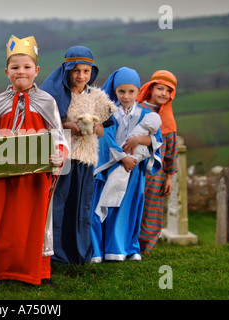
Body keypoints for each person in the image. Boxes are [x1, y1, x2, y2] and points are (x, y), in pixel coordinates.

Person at [0, 35, 69, 285]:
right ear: (6, 71)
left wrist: (59, 153)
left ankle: (34, 271)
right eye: (15, 67)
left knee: (32, 224)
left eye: (26, 67)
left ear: (36, 70)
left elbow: (58, 137)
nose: (20, 72)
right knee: (1, 223)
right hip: (2, 177)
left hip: (34, 178)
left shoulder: (46, 101)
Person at [39, 46, 116, 264]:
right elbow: (47, 123)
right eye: (76, 71)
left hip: (86, 157)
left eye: (86, 71)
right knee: (59, 205)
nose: (81, 76)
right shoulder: (55, 95)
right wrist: (68, 125)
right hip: (61, 158)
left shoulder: (97, 98)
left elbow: (103, 130)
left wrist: (93, 127)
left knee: (81, 206)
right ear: (67, 70)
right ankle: (55, 255)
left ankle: (79, 254)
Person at [90, 66, 162, 262]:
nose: (126, 96)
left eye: (131, 91)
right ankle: (99, 250)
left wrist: (138, 141)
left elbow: (156, 139)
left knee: (129, 209)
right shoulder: (108, 113)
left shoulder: (146, 113)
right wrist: (123, 158)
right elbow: (106, 138)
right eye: (121, 91)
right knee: (104, 206)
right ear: (115, 90)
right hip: (110, 167)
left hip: (134, 170)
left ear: (139, 91)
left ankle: (127, 248)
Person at [136, 70, 178, 253]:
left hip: (157, 173)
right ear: (151, 88)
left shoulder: (168, 118)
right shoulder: (138, 110)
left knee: (152, 208)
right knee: (134, 205)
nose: (164, 94)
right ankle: (128, 243)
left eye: (168, 91)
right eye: (160, 88)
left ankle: (146, 245)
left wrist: (169, 177)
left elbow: (171, 151)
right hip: (135, 169)